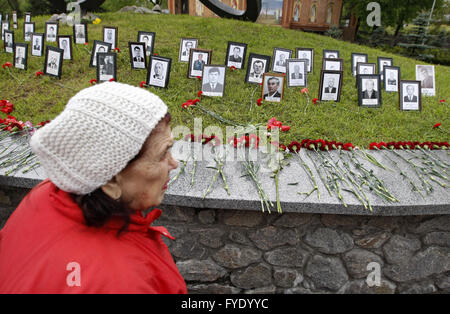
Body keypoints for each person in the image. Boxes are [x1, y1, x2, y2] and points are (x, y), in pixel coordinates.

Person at [0, 82, 186, 294]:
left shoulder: (47, 197)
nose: (173, 164)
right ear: (110, 181)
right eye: (163, 154)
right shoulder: (122, 283)